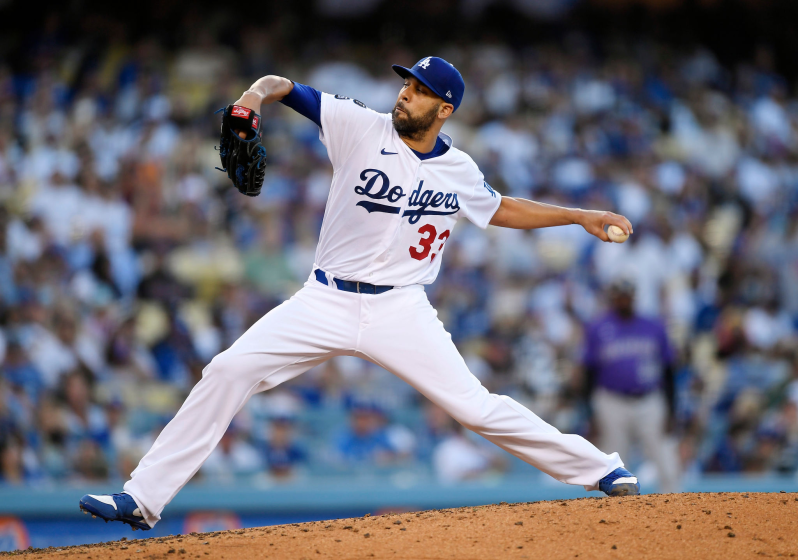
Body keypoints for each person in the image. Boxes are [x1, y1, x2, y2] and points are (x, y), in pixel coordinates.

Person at [79, 56, 638, 531]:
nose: (406, 94)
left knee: (475, 407)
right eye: (406, 84)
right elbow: (281, 86)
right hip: (324, 300)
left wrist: (577, 215)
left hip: (401, 308)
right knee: (227, 370)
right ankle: (143, 499)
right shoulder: (357, 124)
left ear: (444, 110)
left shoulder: (459, 169)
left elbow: (501, 209)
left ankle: (600, 468)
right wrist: (250, 100)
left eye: (420, 92)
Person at [582, 278, 680, 493]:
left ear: (634, 297)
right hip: (611, 401)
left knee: (665, 460)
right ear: (612, 298)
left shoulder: (652, 326)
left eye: (627, 295)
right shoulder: (598, 327)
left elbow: (668, 370)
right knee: (613, 463)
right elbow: (589, 372)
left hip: (650, 400)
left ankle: (677, 507)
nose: (623, 300)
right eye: (619, 296)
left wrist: (672, 410)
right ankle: (612, 518)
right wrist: (590, 412)